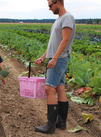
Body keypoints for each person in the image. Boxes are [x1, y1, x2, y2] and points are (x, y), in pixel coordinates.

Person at [34, 0, 76, 134]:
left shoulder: (67, 18)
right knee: (60, 88)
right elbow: (54, 43)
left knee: (49, 88)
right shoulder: (59, 19)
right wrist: (43, 57)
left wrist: (55, 58)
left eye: (50, 5)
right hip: (57, 58)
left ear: (58, 2)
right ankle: (61, 123)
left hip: (60, 59)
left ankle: (50, 126)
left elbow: (65, 40)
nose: (49, 8)